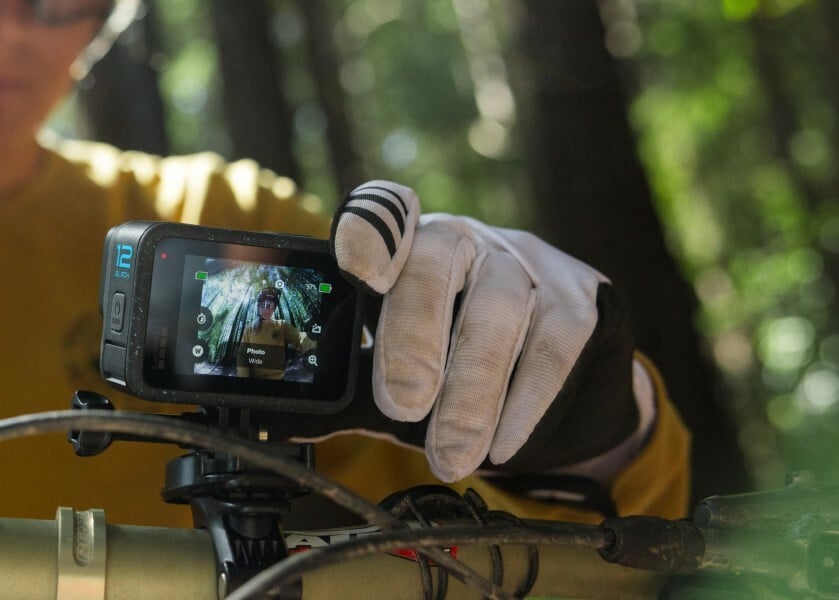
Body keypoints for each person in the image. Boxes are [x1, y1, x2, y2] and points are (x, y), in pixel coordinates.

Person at [0, 0, 690, 530]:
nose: (12, 31)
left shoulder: (219, 212)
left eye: (50, 1)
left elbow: (548, 543)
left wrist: (601, 445)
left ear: (100, 23)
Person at [236, 287, 316, 380]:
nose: (266, 309)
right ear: (258, 306)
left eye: (270, 305)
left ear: (274, 308)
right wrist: (244, 379)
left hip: (277, 381)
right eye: (263, 305)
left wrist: (321, 345)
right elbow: (242, 356)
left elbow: (299, 338)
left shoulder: (282, 326)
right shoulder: (249, 330)